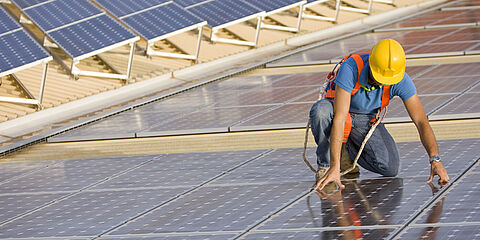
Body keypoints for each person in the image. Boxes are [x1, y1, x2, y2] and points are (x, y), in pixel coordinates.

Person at [310, 39, 450, 191]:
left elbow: (421, 121)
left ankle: (347, 155)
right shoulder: (350, 68)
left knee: (391, 168)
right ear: (371, 64)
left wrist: (435, 159)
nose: (384, 83)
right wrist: (334, 166)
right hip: (337, 112)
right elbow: (340, 117)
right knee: (321, 111)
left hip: (365, 120)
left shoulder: (399, 78)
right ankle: (327, 166)